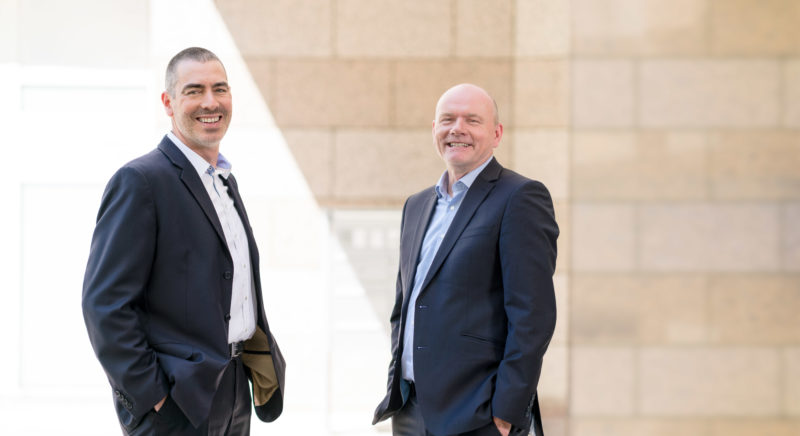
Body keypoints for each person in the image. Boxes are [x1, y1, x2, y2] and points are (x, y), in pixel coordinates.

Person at [82, 47, 285, 436]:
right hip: (177, 402)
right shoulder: (141, 181)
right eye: (194, 91)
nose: (210, 102)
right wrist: (154, 399)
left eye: (219, 89)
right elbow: (105, 305)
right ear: (169, 102)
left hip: (234, 389)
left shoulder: (225, 182)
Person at [373, 84, 558, 436]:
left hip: (479, 416)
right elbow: (406, 305)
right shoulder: (417, 205)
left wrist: (507, 411)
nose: (457, 128)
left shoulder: (520, 198)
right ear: (434, 130)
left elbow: (533, 316)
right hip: (410, 410)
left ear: (496, 134)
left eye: (472, 120)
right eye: (447, 119)